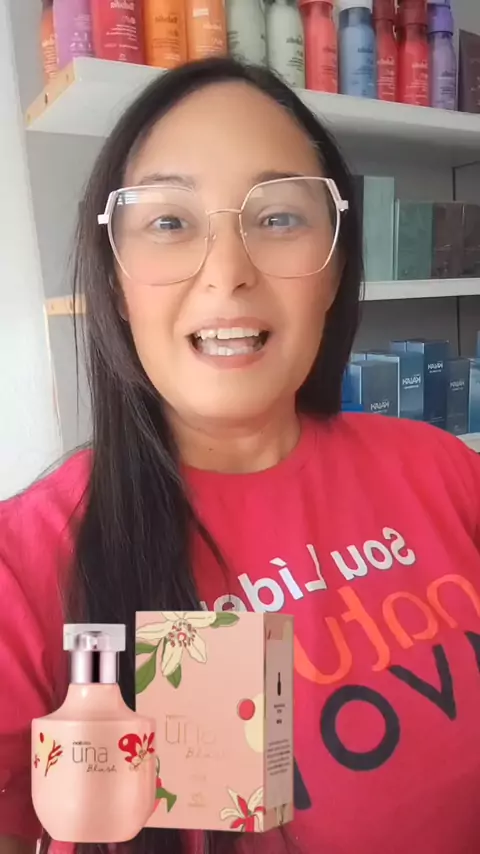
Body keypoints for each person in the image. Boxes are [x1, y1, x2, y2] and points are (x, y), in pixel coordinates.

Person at [1, 57, 480, 854]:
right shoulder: (24, 568)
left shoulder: (442, 470)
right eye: (169, 222)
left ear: (335, 268)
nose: (228, 275)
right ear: (116, 279)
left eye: (280, 217)